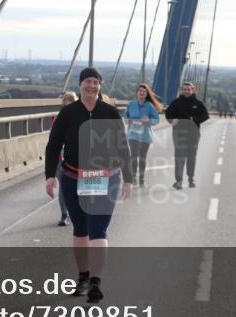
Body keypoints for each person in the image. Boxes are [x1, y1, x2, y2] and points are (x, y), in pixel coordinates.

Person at [45, 67, 133, 303]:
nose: (91, 86)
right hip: (73, 177)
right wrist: (49, 176)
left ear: (100, 86)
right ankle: (83, 277)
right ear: (80, 84)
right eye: (87, 82)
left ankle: (96, 282)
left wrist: (129, 177)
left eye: (95, 82)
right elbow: (53, 145)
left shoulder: (110, 112)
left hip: (105, 177)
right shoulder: (68, 113)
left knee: (98, 229)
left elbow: (123, 146)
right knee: (80, 229)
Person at [165, 81, 210, 189]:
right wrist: (172, 120)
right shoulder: (176, 102)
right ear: (182, 90)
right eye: (184, 89)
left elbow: (205, 115)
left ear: (193, 90)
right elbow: (168, 113)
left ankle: (191, 179)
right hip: (179, 133)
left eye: (188, 89)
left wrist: (194, 119)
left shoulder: (198, 103)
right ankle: (179, 181)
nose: (186, 91)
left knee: (191, 157)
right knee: (179, 157)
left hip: (193, 134)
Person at [123, 83, 161, 187]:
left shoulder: (150, 106)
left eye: (144, 91)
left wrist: (149, 120)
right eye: (140, 91)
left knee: (142, 158)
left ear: (146, 93)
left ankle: (141, 179)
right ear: (137, 93)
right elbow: (125, 116)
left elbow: (157, 120)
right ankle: (133, 178)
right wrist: (127, 120)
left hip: (145, 136)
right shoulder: (131, 104)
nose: (142, 93)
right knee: (134, 156)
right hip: (133, 135)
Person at [52, 91, 78, 226]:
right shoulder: (58, 119)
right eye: (66, 106)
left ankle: (78, 211)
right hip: (61, 159)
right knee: (64, 187)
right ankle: (64, 214)